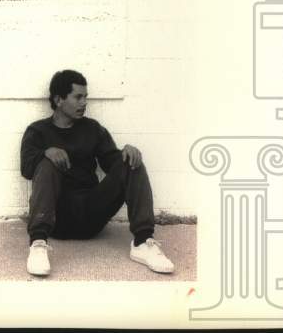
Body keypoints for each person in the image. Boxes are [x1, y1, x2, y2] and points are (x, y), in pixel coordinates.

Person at [20, 69, 174, 276]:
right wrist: (45, 153)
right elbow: (27, 168)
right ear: (58, 99)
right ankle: (38, 244)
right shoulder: (37, 131)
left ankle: (142, 242)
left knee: (132, 161)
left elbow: (112, 163)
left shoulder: (92, 129)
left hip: (92, 213)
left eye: (86, 97)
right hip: (57, 216)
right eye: (78, 97)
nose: (84, 103)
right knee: (47, 163)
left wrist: (125, 154)